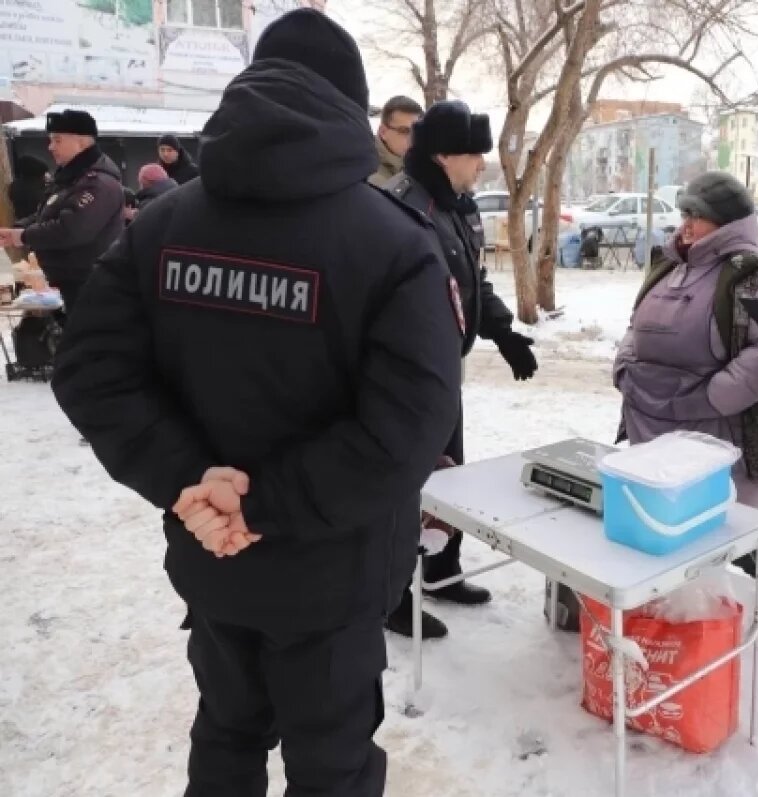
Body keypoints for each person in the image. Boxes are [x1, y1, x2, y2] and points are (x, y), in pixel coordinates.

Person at [50, 10, 462, 795]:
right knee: (330, 767)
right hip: (331, 576)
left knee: (226, 738)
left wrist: (193, 485)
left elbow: (90, 371)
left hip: (212, 559)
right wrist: (257, 503)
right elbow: (408, 428)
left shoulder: (161, 225)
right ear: (352, 108)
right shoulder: (395, 243)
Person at [609, 171, 758, 639]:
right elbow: (635, 329)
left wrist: (716, 396)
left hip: (718, 434)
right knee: (664, 524)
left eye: (699, 216)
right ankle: (676, 617)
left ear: (727, 223)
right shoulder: (670, 265)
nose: (687, 224)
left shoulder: (756, 276)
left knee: (732, 530)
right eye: (685, 214)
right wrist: (625, 370)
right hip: (651, 424)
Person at [381, 99, 538, 640]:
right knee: (406, 485)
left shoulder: (456, 205)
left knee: (454, 476)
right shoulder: (402, 209)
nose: (482, 166)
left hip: (445, 368)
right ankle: (393, 594)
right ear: (446, 155)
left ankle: (443, 571)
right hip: (406, 376)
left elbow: (472, 283)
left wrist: (504, 332)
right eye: (475, 156)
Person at [0, 110, 124, 313]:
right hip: (70, 283)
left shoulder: (98, 183)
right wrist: (17, 229)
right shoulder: (71, 177)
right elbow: (48, 213)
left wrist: (22, 235)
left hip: (90, 286)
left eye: (57, 141)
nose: (50, 147)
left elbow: (71, 229)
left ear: (81, 142)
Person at [369, 95, 423, 187]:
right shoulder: (371, 178)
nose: (412, 139)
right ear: (383, 132)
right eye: (404, 131)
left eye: (416, 132)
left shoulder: (418, 168)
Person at [8, 154, 50, 221]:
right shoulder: (40, 192)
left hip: (20, 223)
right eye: (44, 173)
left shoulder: (14, 186)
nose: (47, 176)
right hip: (37, 226)